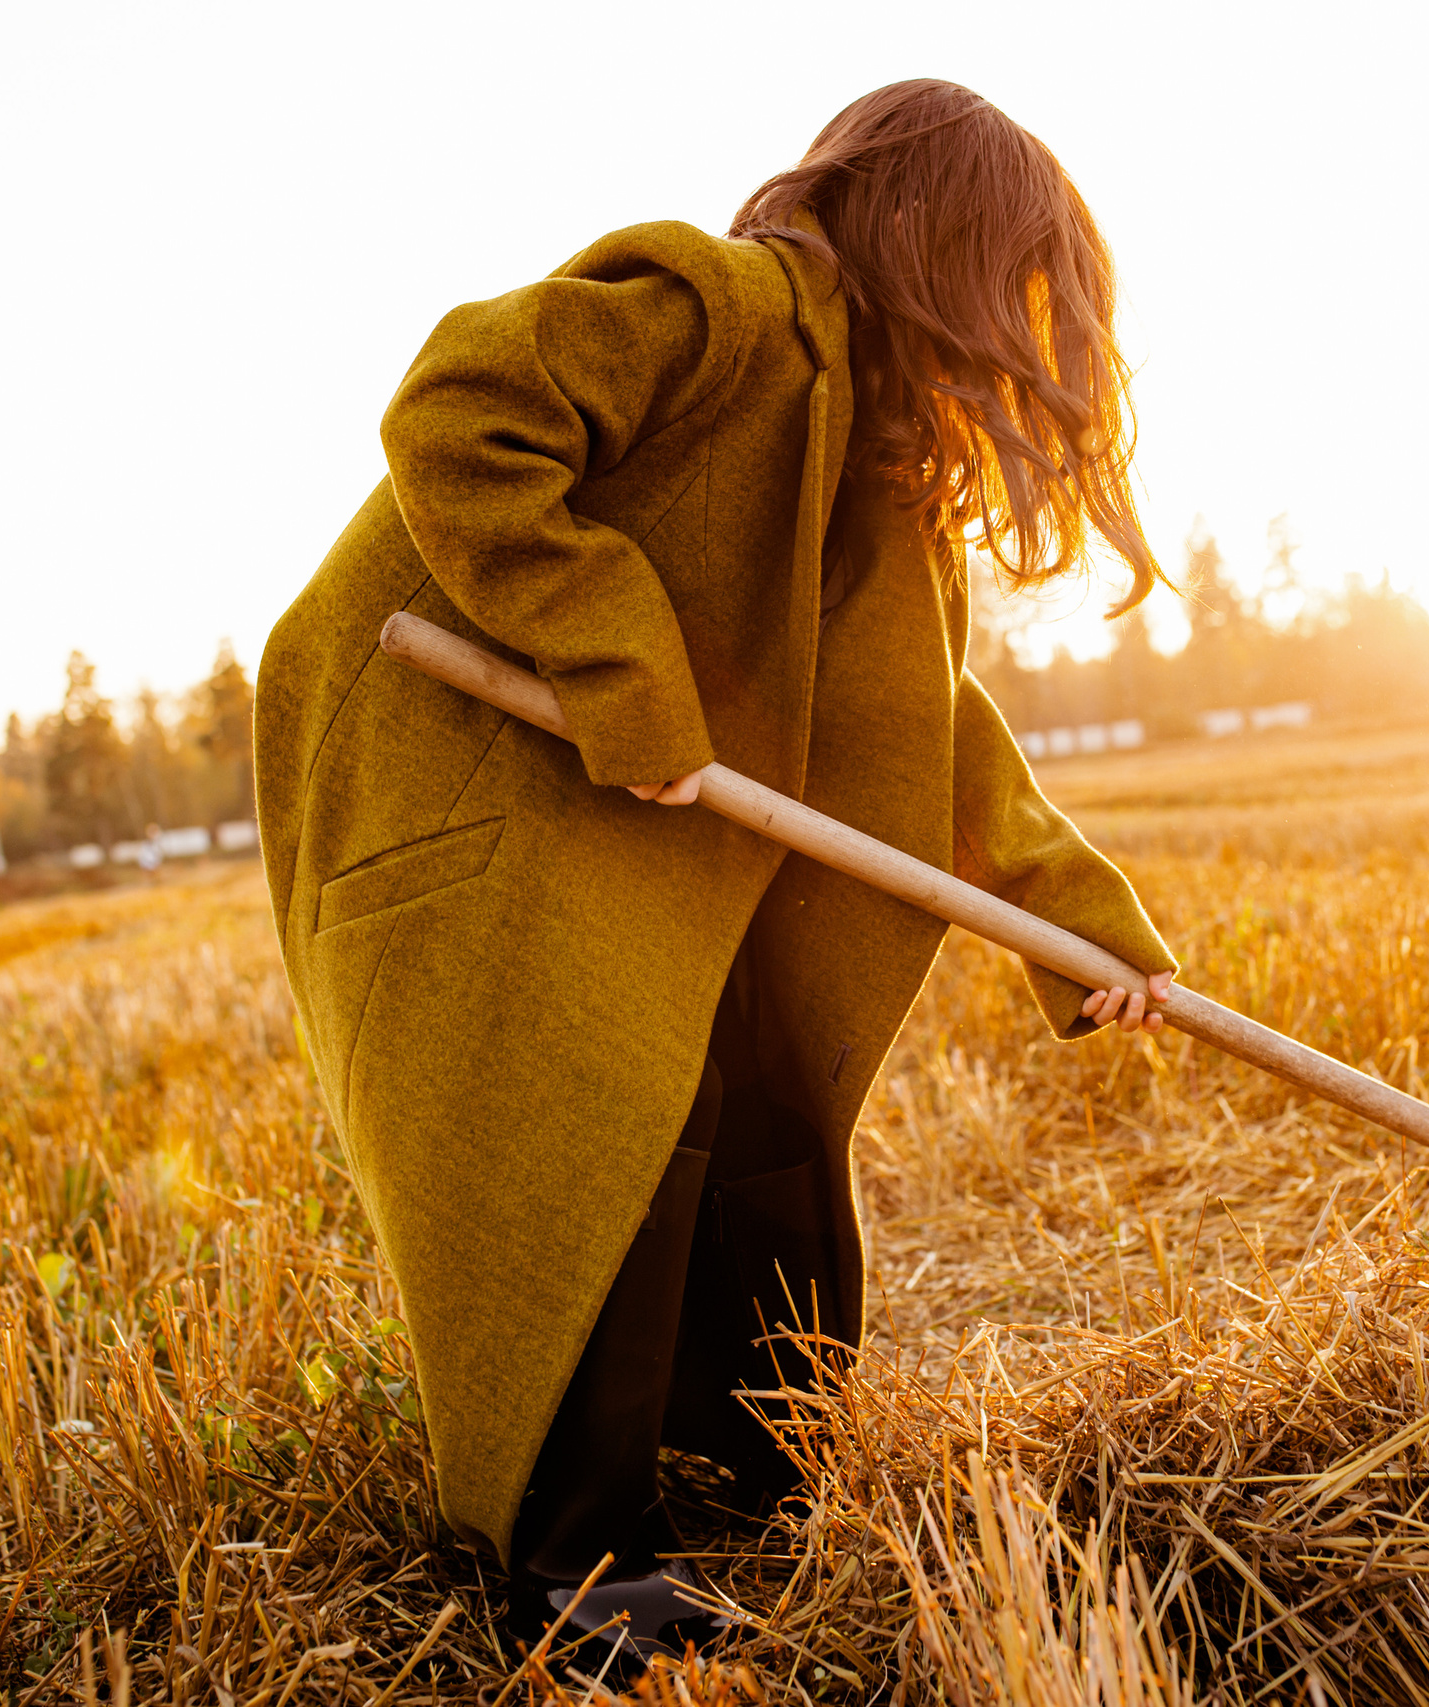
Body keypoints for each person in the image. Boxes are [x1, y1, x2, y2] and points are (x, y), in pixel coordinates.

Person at [255, 78, 1177, 1671]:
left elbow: (934, 725)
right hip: (452, 751)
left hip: (616, 779)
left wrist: (1075, 927)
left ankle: (753, 1473)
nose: (1017, 351)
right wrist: (627, 674)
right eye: (1010, 293)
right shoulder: (717, 308)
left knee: (764, 1095)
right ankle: (576, 1560)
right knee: (613, 1097)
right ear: (933, 244)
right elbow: (458, 416)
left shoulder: (881, 472)